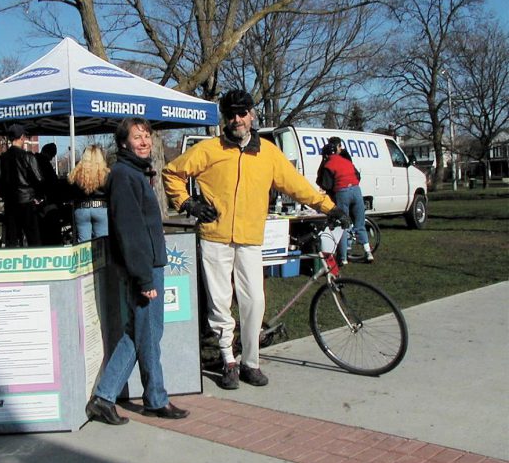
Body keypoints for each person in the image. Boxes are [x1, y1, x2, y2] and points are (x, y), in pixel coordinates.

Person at [163, 89, 349, 390]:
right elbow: (172, 172)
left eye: (242, 113)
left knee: (255, 301)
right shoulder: (209, 149)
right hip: (215, 237)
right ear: (225, 118)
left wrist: (330, 207)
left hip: (250, 238)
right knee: (219, 303)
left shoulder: (268, 153)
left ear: (251, 115)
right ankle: (228, 361)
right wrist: (188, 203)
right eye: (231, 114)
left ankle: (251, 362)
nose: (237, 119)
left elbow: (299, 186)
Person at [86, 118, 189, 425]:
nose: (144, 142)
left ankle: (147, 397)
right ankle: (113, 397)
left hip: (151, 265)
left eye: (146, 136)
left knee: (145, 332)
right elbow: (130, 232)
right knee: (144, 332)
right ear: (123, 144)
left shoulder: (136, 173)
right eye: (137, 137)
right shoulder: (123, 175)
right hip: (143, 269)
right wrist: (143, 278)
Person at [319, 136, 373, 264]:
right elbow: (357, 175)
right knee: (360, 223)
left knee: (343, 224)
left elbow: (326, 184)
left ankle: (343, 258)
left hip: (342, 192)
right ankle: (368, 252)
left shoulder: (328, 164)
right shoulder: (347, 160)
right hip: (356, 190)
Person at [0, 124, 44, 247]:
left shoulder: (0, 159)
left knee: (12, 239)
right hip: (27, 202)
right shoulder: (27, 157)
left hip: (10, 203)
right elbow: (39, 179)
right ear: (22, 137)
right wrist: (38, 196)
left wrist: (5, 194)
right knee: (33, 238)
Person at [67, 144, 109, 242]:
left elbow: (71, 191)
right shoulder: (106, 173)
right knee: (102, 244)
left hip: (81, 208)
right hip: (101, 208)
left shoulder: (76, 173)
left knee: (83, 244)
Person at [37, 143, 64, 245]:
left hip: (40, 201)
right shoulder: (45, 164)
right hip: (47, 202)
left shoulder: (35, 161)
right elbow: (52, 183)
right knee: (52, 231)